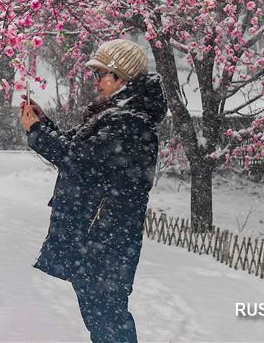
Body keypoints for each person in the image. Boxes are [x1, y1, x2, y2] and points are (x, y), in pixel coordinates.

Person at [20, 39, 168, 343]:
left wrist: (36, 132)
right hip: (99, 241)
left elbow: (77, 159)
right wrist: (43, 123)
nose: (96, 81)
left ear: (121, 78)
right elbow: (78, 151)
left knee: (109, 323)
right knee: (103, 321)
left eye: (101, 74)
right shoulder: (114, 117)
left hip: (106, 243)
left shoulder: (129, 125)